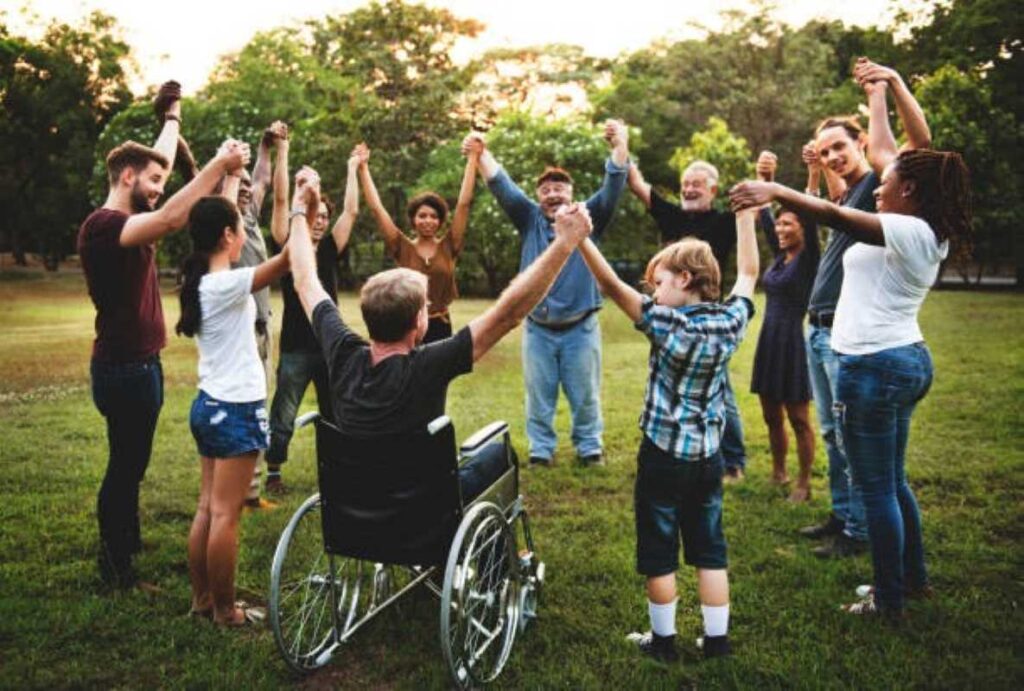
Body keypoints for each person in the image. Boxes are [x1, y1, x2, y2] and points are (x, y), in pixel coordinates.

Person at [730, 84, 970, 618]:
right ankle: (913, 581)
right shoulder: (921, 228)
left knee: (878, 487)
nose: (879, 189)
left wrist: (779, 193)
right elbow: (880, 161)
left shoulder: (907, 228)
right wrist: (880, 92)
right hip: (900, 359)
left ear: (910, 190)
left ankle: (887, 600)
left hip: (874, 366)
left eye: (888, 184)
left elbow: (838, 218)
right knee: (894, 481)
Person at [285, 170, 595, 498]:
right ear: (419, 323)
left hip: (356, 503)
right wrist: (564, 244)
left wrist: (299, 209)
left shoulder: (342, 352)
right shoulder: (430, 364)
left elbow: (305, 278)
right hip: (422, 507)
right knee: (501, 455)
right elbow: (510, 313)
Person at [78, 82, 250, 588]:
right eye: (152, 181)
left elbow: (163, 172)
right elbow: (175, 215)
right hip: (124, 368)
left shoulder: (130, 217)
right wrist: (219, 166)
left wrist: (172, 119)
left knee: (131, 461)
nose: (160, 186)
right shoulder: (104, 226)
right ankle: (115, 568)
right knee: (125, 466)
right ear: (126, 176)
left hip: (140, 365)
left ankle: (124, 544)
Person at [575, 203, 760, 662]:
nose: (653, 292)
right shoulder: (731, 320)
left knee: (659, 549)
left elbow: (608, 286)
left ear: (684, 279)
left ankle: (663, 644)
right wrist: (745, 217)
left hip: (662, 457)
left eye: (659, 282)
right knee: (710, 548)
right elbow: (750, 273)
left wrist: (579, 239)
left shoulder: (666, 323)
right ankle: (717, 642)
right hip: (708, 458)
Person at [797, 58, 933, 558]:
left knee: (860, 449)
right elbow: (833, 199)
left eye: (840, 147)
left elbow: (907, 148)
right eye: (827, 148)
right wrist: (816, 168)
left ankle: (859, 533)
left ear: (860, 145)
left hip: (857, 341)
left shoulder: (881, 190)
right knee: (835, 435)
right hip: (823, 327)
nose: (834, 155)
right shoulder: (861, 192)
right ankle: (844, 514)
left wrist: (886, 87)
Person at [466, 120, 630, 467]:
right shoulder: (528, 218)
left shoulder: (590, 217)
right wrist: (482, 152)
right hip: (538, 328)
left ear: (571, 193)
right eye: (546, 190)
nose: (553, 194)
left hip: (581, 328)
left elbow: (615, 182)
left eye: (560, 188)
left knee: (585, 396)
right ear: (538, 196)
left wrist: (620, 143)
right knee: (538, 397)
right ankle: (541, 451)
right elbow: (501, 184)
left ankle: (589, 449)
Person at [177, 192, 293, 626]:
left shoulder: (203, 280)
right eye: (240, 225)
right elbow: (286, 262)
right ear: (228, 235)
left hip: (209, 405)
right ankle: (226, 612)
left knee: (209, 507)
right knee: (225, 514)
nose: (245, 231)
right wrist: (302, 206)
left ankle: (204, 600)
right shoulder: (226, 283)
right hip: (234, 409)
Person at [626, 158, 749, 482]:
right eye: (686, 183)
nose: (689, 188)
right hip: (669, 318)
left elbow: (752, 230)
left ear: (713, 189)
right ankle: (670, 445)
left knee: (721, 391)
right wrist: (620, 149)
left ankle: (732, 461)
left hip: (708, 320)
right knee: (668, 384)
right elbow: (638, 186)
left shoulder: (723, 222)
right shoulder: (673, 216)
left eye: (697, 184)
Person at [265, 143, 359, 494]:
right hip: (295, 348)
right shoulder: (288, 246)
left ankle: (336, 471)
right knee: (284, 413)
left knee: (335, 413)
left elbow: (350, 211)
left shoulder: (332, 250)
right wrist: (286, 157)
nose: (320, 222)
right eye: (315, 216)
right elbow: (278, 203)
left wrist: (353, 168)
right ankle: (274, 471)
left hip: (330, 346)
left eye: (323, 218)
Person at [356, 140, 479, 343]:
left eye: (433, 216)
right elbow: (377, 209)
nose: (428, 221)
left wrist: (473, 159)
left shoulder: (450, 245)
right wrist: (363, 168)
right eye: (422, 216)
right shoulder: (401, 246)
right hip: (405, 326)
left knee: (439, 375)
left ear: (440, 221)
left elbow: (464, 204)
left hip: (440, 326)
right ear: (413, 219)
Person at [749, 150, 820, 503]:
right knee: (770, 414)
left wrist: (812, 174)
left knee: (799, 418)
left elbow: (810, 208)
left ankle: (804, 483)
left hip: (793, 341)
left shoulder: (809, 258)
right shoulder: (780, 255)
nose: (779, 229)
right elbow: (763, 216)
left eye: (787, 224)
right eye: (778, 225)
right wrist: (765, 177)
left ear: (803, 228)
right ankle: (779, 471)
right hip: (768, 340)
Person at [234, 122, 285, 509]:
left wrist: (266, 147)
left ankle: (249, 491)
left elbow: (263, 181)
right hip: (242, 330)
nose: (249, 189)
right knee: (247, 405)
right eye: (240, 184)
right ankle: (242, 492)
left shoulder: (247, 216)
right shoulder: (222, 223)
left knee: (258, 405)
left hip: (262, 326)